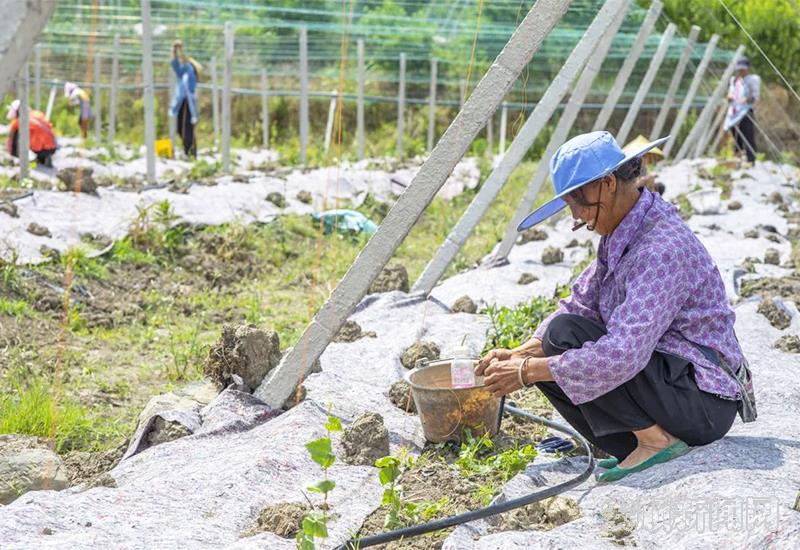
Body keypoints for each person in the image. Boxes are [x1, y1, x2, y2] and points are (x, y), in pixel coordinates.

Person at [475, 131, 756, 482]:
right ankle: (641, 440)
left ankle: (654, 440)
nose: (577, 217)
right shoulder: (622, 235)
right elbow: (581, 306)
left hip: (702, 402)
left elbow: (624, 353)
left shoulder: (661, 248)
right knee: (556, 338)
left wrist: (526, 372)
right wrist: (518, 355)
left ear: (607, 184)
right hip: (668, 387)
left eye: (578, 203)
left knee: (561, 341)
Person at [724, 56, 760, 165]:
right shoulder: (734, 80)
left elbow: (754, 97)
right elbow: (730, 93)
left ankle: (751, 159)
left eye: (743, 69)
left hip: (745, 111)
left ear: (748, 68)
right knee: (736, 135)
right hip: (734, 112)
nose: (741, 71)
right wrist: (729, 97)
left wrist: (746, 100)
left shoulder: (753, 79)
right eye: (739, 69)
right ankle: (738, 157)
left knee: (748, 134)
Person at [170, 40, 201, 158]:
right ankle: (189, 151)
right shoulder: (185, 72)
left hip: (187, 102)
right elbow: (175, 64)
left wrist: (178, 49)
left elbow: (181, 61)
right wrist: (174, 50)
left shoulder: (189, 71)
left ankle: (190, 152)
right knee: (182, 128)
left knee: (185, 128)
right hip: (183, 102)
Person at [6, 99, 58, 168]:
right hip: (52, 147)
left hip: (39, 149)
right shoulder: (37, 114)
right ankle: (43, 158)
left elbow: (11, 136)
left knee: (17, 133)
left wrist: (9, 150)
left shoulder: (20, 120)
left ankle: (17, 159)